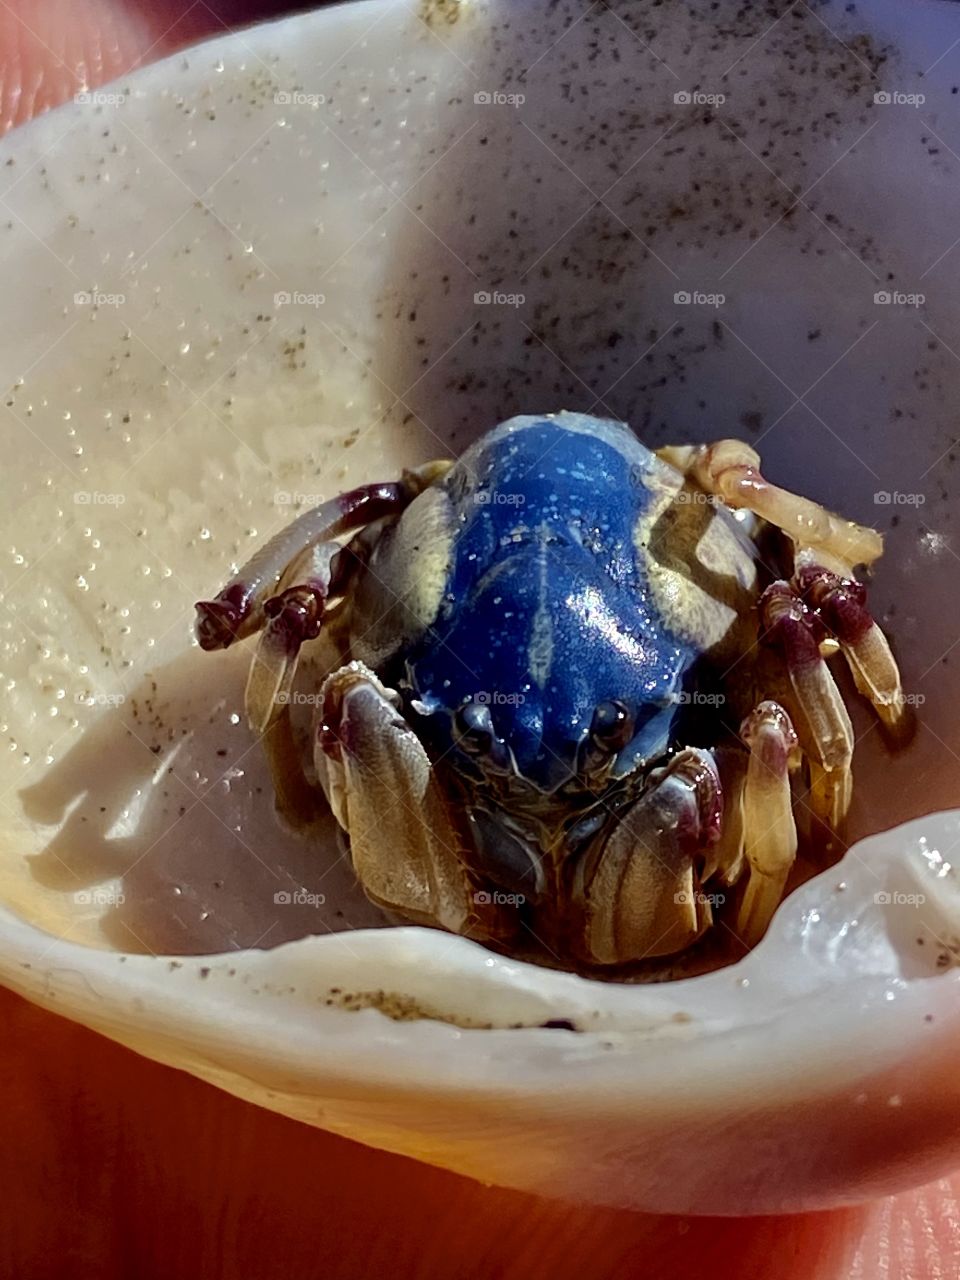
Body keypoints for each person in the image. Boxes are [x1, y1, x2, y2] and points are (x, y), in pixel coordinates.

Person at [0, 3, 955, 1276]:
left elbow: (834, 581)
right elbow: (283, 628)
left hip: (656, 599)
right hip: (459, 613)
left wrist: (844, 758)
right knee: (353, 696)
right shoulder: (371, 573)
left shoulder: (738, 556)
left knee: (777, 688)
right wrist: (303, 742)